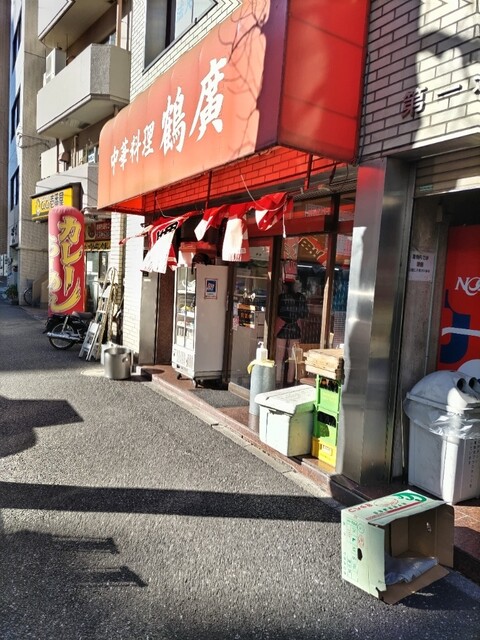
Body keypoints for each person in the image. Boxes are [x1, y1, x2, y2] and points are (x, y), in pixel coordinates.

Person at [275, 280, 308, 385]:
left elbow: (277, 312)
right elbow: (304, 314)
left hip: (281, 327)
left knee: (279, 357)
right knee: (292, 357)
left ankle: (277, 379)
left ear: (285, 286)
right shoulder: (301, 297)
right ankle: (290, 381)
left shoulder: (281, 297)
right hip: (295, 327)